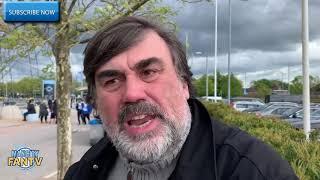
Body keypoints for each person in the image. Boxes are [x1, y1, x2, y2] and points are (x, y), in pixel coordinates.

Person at [65, 17, 298, 180]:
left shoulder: (255, 171)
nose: (132, 94)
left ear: (184, 84)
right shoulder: (83, 172)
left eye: (149, 72)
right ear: (94, 100)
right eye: (112, 81)